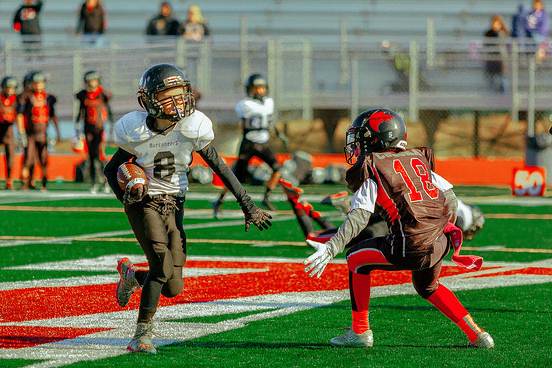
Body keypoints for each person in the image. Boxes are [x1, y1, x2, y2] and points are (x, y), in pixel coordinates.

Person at [103, 64, 272, 354]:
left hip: (175, 203)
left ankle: (132, 277)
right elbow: (111, 169)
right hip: (145, 202)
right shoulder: (136, 130)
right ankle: (141, 335)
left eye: (181, 93)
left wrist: (248, 205)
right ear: (150, 100)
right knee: (160, 265)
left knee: (173, 286)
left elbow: (219, 165)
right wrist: (127, 197)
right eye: (169, 95)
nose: (178, 101)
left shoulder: (193, 126)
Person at [303, 109, 494, 349]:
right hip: (439, 241)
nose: (358, 144)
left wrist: (331, 248)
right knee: (428, 286)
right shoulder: (417, 159)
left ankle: (360, 332)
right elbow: (450, 199)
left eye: (362, 138)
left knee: (355, 259)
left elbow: (359, 217)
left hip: (411, 243)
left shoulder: (374, 167)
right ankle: (477, 334)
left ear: (378, 138)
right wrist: (439, 226)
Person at [279, 179, 485, 243]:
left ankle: (306, 205)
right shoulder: (457, 219)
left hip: (390, 210)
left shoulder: (454, 202)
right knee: (314, 238)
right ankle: (296, 201)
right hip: (391, 224)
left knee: (344, 231)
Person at [212, 74, 286, 216]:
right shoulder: (245, 104)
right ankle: (219, 200)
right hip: (249, 144)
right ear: (250, 89)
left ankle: (266, 197)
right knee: (236, 177)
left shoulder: (269, 102)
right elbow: (245, 124)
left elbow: (270, 122)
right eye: (256, 88)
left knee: (277, 169)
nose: (259, 91)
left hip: (263, 143)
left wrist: (279, 134)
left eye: (262, 88)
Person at [16, 71, 60, 190]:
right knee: (28, 160)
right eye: (36, 83)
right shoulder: (25, 97)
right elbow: (19, 115)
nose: (38, 85)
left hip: (43, 134)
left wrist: (57, 133)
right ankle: (25, 183)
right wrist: (21, 133)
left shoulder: (49, 98)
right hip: (30, 134)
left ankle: (44, 184)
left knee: (44, 160)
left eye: (40, 83)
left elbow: (52, 116)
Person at [75, 70, 113, 193]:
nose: (92, 83)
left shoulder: (102, 94)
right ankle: (94, 182)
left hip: (100, 128)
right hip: (88, 128)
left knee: (101, 155)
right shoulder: (83, 95)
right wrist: (77, 126)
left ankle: (107, 181)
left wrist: (111, 126)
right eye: (90, 81)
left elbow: (109, 109)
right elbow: (80, 111)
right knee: (91, 156)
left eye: (94, 80)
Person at [0, 77, 19, 190]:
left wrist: (21, 132)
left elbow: (19, 115)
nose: (10, 90)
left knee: (10, 158)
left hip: (9, 132)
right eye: (8, 87)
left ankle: (9, 181)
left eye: (12, 88)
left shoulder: (16, 100)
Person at [483, 15, 509, 93]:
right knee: (491, 79)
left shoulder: (503, 33)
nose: (495, 25)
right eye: (494, 23)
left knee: (503, 79)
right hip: (491, 59)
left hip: (501, 60)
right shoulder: (488, 33)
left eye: (497, 24)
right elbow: (486, 45)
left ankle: (503, 95)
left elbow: (505, 46)